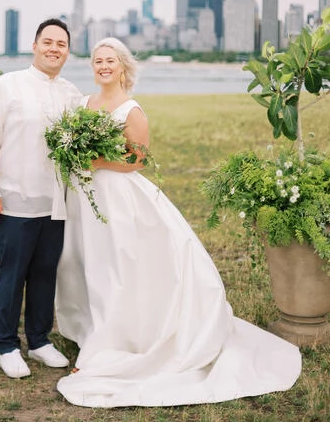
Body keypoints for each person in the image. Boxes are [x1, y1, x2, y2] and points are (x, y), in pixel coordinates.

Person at [55, 37, 302, 408]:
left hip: (118, 200)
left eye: (110, 61)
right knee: (85, 264)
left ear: (123, 67)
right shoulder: (83, 104)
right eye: (97, 61)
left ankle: (117, 340)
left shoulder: (131, 110)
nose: (103, 66)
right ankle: (90, 330)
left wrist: (98, 162)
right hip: (84, 201)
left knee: (119, 269)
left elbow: (137, 160)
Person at [0, 19, 83, 379]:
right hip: (14, 200)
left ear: (68, 51)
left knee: (45, 273)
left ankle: (38, 340)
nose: (54, 49)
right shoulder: (7, 86)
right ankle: (6, 344)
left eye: (62, 44)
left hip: (55, 202)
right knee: (13, 273)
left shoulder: (70, 93)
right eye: (48, 42)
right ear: (34, 45)